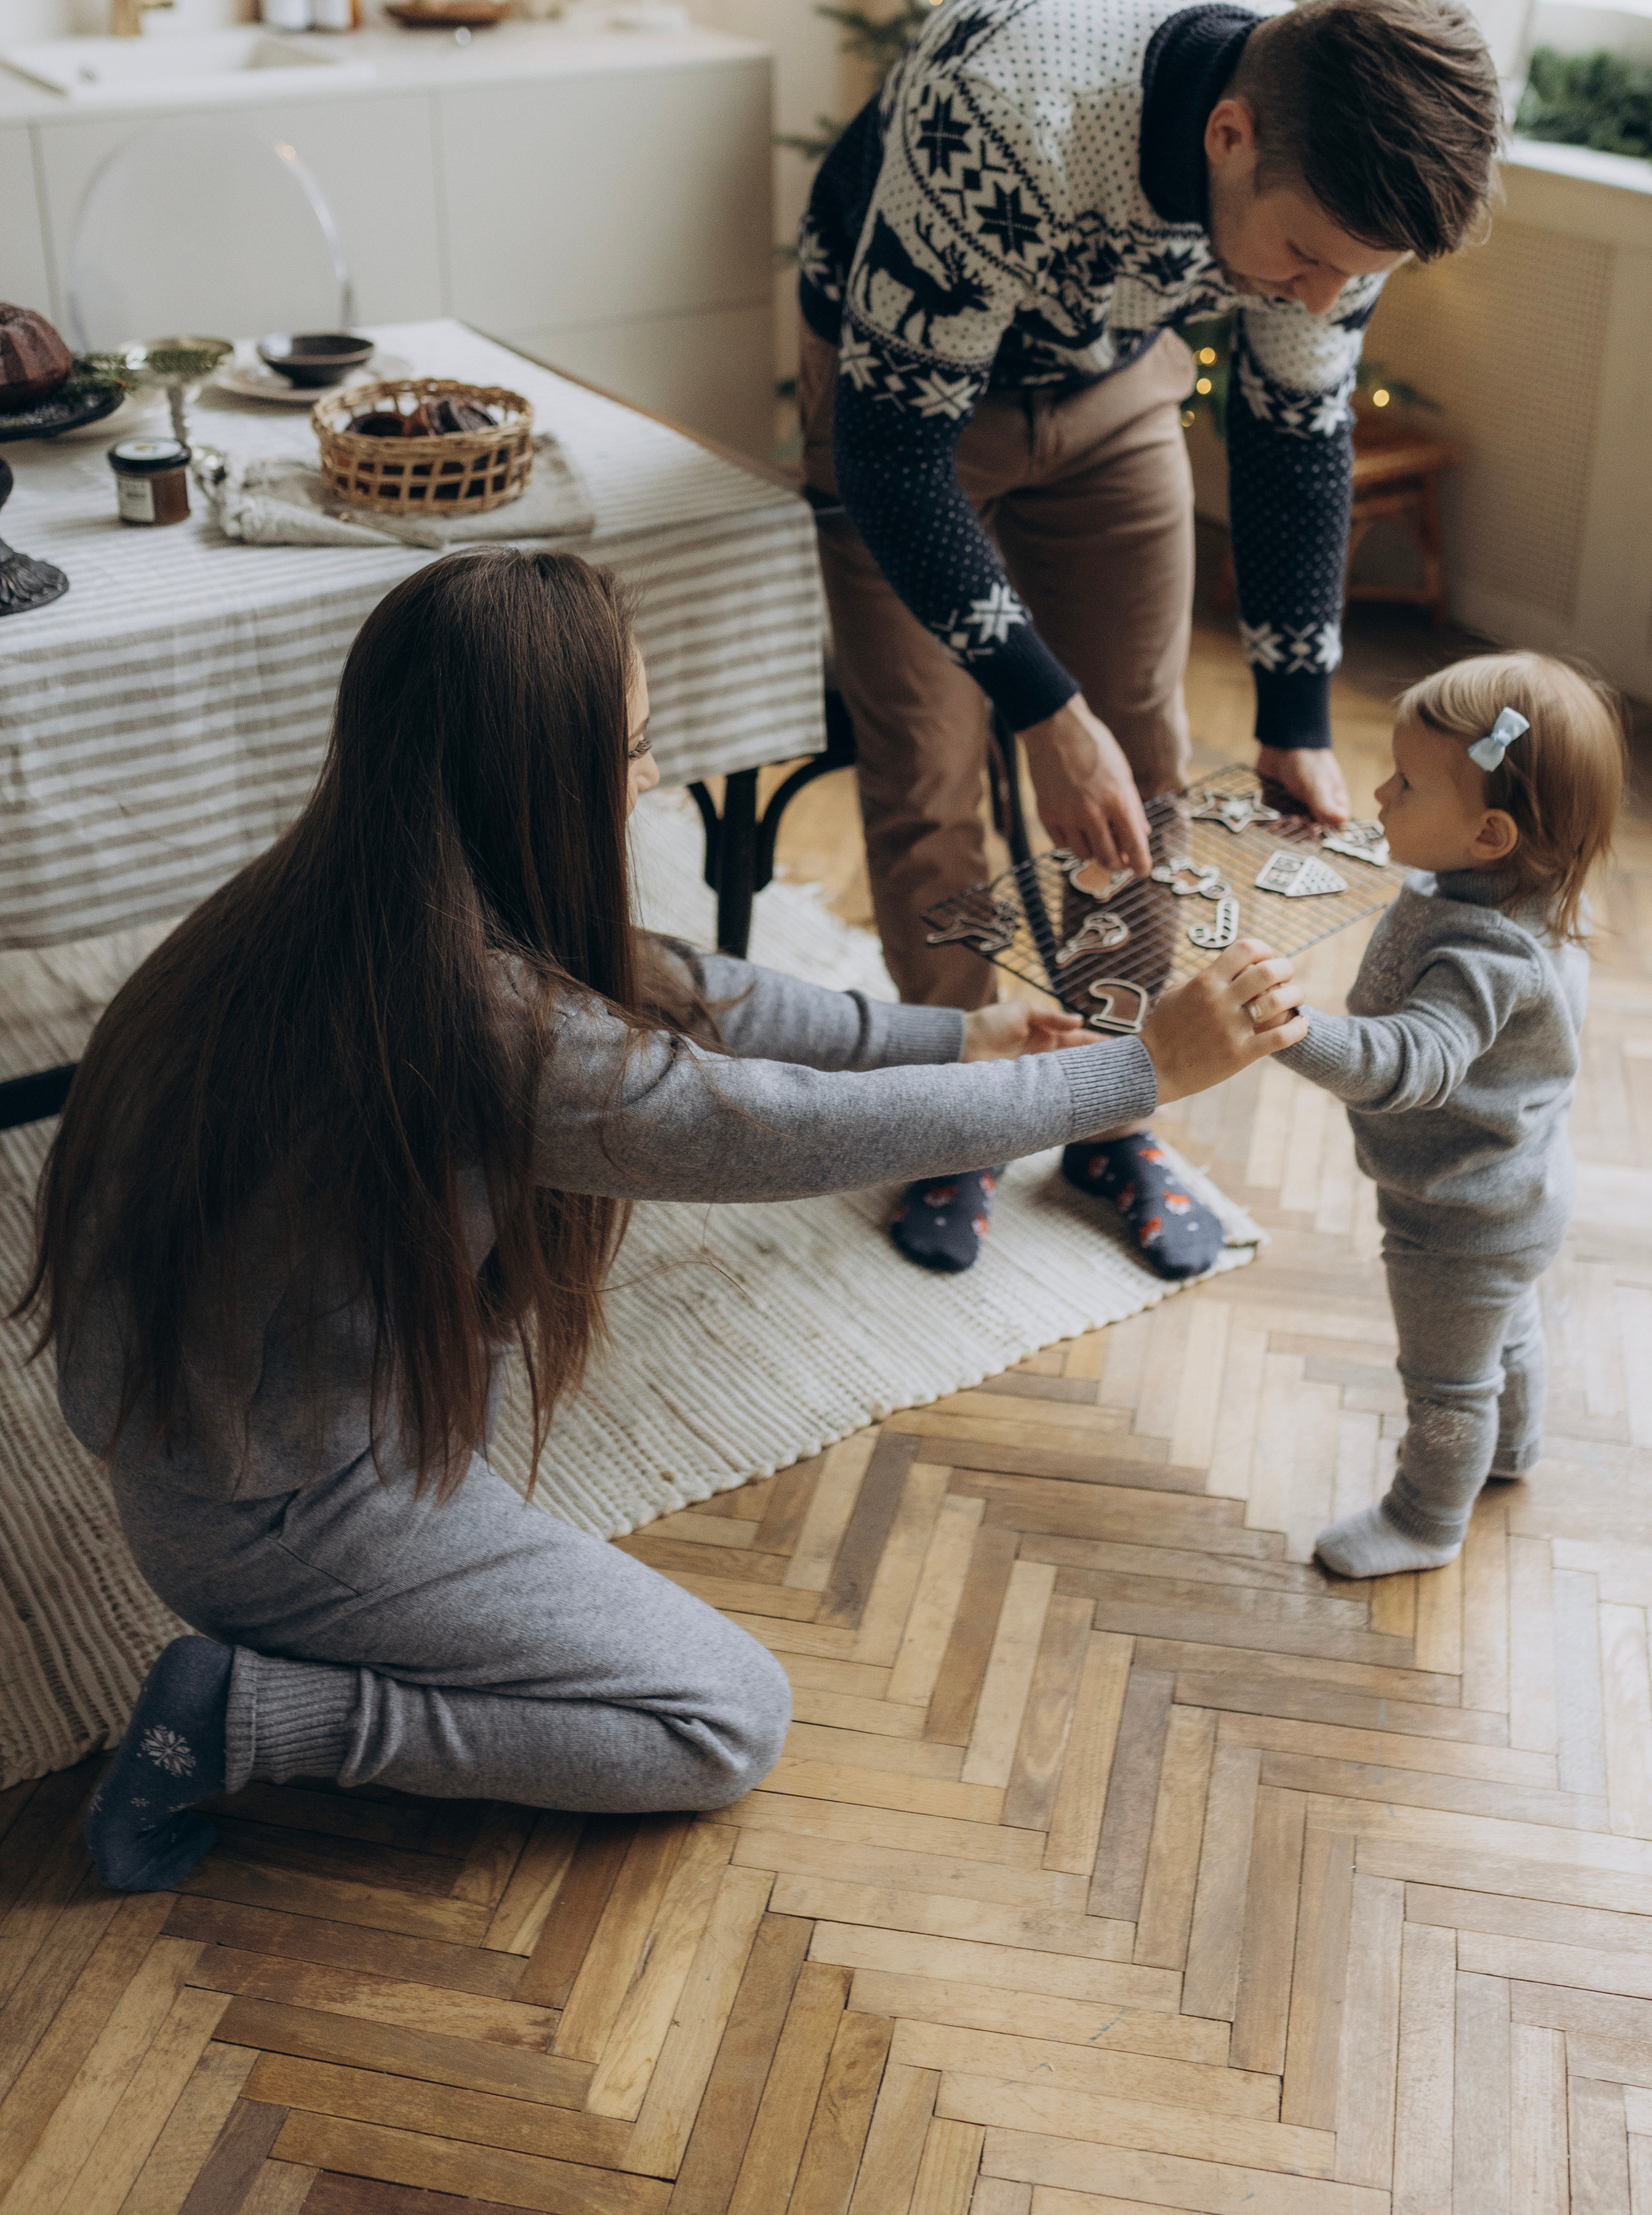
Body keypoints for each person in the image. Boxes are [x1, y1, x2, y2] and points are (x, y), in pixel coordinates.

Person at [19, 549, 1303, 1893]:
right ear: (531, 774)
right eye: (629, 748)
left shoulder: (355, 885)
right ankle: (240, 1717)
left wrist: (949, 1034)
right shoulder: (483, 1024)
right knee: (720, 1722)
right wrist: (1139, 1073)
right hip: (269, 1514)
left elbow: (677, 986)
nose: (648, 777)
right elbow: (771, 1128)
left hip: (215, 1434)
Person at [798, 0, 1503, 1283]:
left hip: (1111, 376)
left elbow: (1296, 427)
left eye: (1354, 275)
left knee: (1144, 752)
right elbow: (890, 456)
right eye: (1305, 258)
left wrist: (1296, 717)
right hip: (902, 399)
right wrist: (1040, 711)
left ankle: (1110, 1108)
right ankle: (957, 1113)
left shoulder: (1336, 173)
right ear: (1230, 136)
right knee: (928, 769)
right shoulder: (1010, 105)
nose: (1321, 296)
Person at [1267, 650, 1625, 1576]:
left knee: (1447, 1383)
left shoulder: (1490, 955)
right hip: (1512, 1189)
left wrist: (1289, 1029)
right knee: (1507, 1327)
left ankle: (1426, 1521)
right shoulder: (1498, 883)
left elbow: (1412, 1062)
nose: (1381, 792)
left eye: (1406, 782)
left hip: (1459, 1218)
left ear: (1491, 835)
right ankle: (1514, 1449)